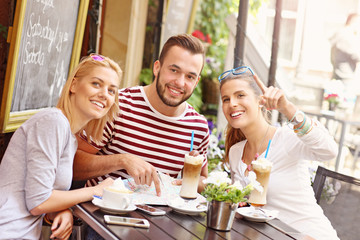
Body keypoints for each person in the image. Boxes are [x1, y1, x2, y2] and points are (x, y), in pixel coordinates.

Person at [0, 54, 122, 239]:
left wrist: (61, 210)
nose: (104, 94)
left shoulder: (68, 136)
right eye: (96, 84)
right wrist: (96, 191)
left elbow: (37, 193)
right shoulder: (53, 122)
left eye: (111, 91)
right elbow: (39, 201)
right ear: (73, 85)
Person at [74, 34, 210, 196]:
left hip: (160, 218)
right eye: (174, 70)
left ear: (196, 81)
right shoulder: (118, 105)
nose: (180, 83)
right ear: (157, 68)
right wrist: (122, 160)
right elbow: (72, 165)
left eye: (190, 76)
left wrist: (190, 180)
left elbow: (203, 180)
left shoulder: (198, 127)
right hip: (102, 215)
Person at [219, 66, 339, 240]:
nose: (232, 104)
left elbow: (329, 151)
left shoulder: (285, 139)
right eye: (226, 99)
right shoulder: (236, 152)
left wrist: (287, 108)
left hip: (310, 236)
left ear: (261, 100)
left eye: (240, 95)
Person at [330, 13, 360, 90]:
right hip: (345, 76)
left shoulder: (340, 33)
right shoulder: (347, 36)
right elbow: (357, 55)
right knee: (344, 100)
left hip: (338, 73)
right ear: (354, 22)